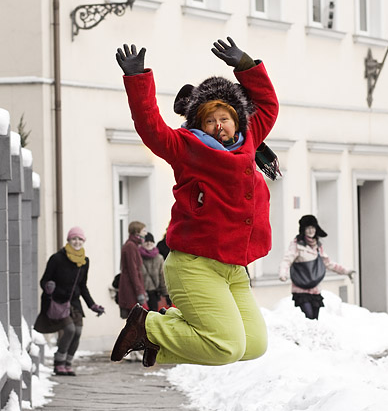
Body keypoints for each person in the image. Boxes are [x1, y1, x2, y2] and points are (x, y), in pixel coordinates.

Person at [111, 36, 279, 368]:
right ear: (199, 124)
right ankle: (148, 325)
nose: (219, 125)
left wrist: (246, 65)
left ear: (236, 120)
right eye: (210, 120)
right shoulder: (187, 147)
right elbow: (151, 128)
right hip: (195, 264)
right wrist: (137, 79)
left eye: (225, 118)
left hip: (233, 267)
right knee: (226, 347)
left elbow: (269, 105)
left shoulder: (250, 141)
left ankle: (155, 341)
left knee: (254, 345)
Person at [38, 226, 105, 375]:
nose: (77, 242)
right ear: (68, 240)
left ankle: (68, 363)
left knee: (78, 332)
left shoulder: (84, 261)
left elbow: (82, 286)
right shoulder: (57, 259)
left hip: (74, 302)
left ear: (83, 241)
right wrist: (49, 287)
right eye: (74, 239)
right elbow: (44, 280)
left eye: (80, 239)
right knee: (69, 330)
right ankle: (59, 362)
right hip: (58, 301)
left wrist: (92, 305)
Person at [279, 214, 355, 320]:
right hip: (301, 289)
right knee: (308, 316)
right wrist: (283, 274)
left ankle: (311, 336)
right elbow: (286, 261)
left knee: (314, 319)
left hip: (315, 289)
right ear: (303, 230)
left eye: (313, 227)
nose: (311, 230)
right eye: (308, 228)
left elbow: (329, 263)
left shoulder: (318, 246)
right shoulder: (297, 245)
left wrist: (346, 271)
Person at [117, 221, 147, 318]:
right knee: (137, 320)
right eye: (144, 230)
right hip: (131, 291)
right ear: (137, 231)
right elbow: (133, 271)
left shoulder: (133, 245)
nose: (145, 233)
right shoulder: (131, 246)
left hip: (133, 289)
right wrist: (139, 292)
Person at [139, 233, 171, 311]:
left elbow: (162, 277)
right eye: (146, 241)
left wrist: (166, 294)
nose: (148, 243)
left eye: (151, 241)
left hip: (154, 294)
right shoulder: (138, 256)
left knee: (153, 317)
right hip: (141, 294)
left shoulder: (159, 258)